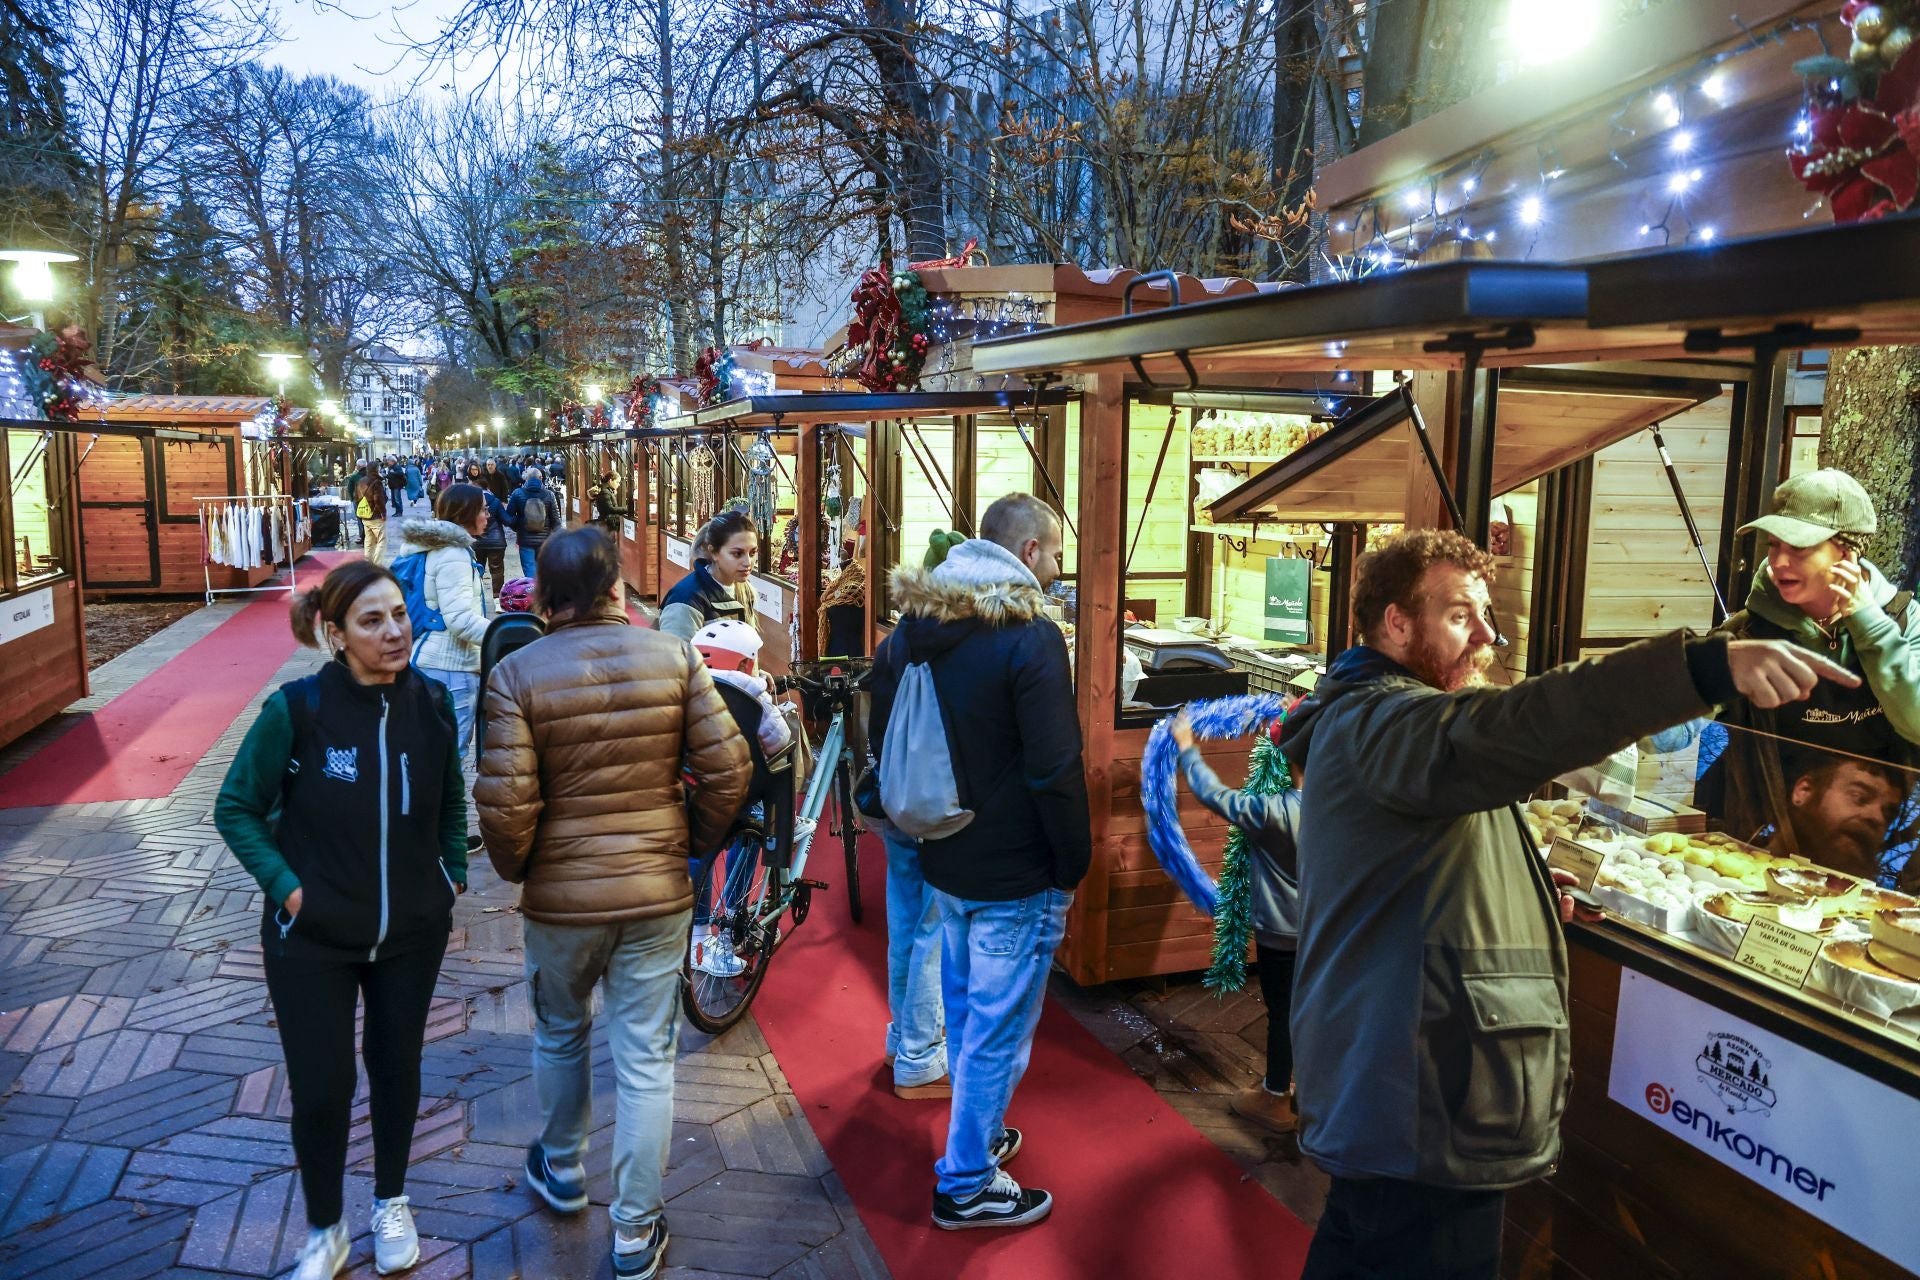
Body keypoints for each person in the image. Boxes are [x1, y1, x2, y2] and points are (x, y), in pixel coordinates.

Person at [1274, 529, 1859, 1280]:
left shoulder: (1375, 721)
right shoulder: (1387, 723)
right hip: (1420, 1099)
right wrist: (1698, 667)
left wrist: (1522, 895)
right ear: (1395, 623)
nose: (1487, 636)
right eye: (1460, 616)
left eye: (1488, 615)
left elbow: (1416, 868)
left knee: (1362, 1249)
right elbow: (1518, 725)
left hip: (1398, 1090)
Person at [476, 526, 751, 1280]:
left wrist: (530, 869)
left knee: (561, 1035)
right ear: (615, 587)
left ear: (544, 593)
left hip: (561, 903)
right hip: (656, 896)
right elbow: (729, 768)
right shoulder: (672, 654)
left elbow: (503, 807)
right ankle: (634, 1231)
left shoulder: (517, 672)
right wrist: (684, 845)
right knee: (646, 1061)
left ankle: (562, 1168)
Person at [214, 559, 466, 1280]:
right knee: (323, 1088)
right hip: (313, 940)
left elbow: (451, 801)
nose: (395, 631)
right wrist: (291, 892)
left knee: (396, 1069)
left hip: (413, 933)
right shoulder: (296, 710)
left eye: (398, 614)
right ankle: (326, 1229)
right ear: (335, 634)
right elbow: (235, 808)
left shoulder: (435, 704)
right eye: (372, 621)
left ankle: (391, 1200)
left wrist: (452, 875)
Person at [868, 492, 1090, 1231]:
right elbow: (1055, 766)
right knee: (996, 1027)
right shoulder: (1029, 636)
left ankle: (983, 1135)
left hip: (945, 854)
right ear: (1028, 553)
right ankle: (965, 1181)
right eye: (1057, 553)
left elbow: (884, 717)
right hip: (1016, 868)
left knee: (968, 1012)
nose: (1060, 569)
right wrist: (1072, 860)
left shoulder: (916, 624)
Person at [1699, 468, 1920, 860]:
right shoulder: (1748, 631)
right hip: (1760, 854)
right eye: (1772, 545)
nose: (1779, 562)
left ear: (1847, 553)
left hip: (1885, 862)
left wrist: (1869, 625)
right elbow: (1683, 716)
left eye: (1798, 549)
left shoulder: (1908, 623)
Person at [1170, 708, 1303, 1133]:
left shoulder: (1273, 812)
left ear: (1285, 755)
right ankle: (1312, 1091)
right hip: (1326, 936)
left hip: (1281, 938)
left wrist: (1188, 747)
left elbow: (1214, 795)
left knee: (1282, 1013)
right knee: (1311, 1011)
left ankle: (1277, 1096)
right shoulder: (1345, 809)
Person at [393, 483, 495, 757]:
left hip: (432, 661)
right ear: (467, 512)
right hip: (451, 667)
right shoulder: (454, 554)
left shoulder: (439, 548)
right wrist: (502, 635)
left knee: (431, 753)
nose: (488, 516)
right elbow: (460, 620)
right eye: (483, 510)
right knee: (449, 757)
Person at [1769, 754, 1910, 880]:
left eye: (1888, 813)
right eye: (1859, 796)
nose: (1877, 817)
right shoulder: (1751, 866)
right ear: (1805, 791)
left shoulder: (1873, 906)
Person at [657, 511, 757, 641]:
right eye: (737, 554)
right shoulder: (685, 600)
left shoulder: (745, 590)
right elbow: (675, 658)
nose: (748, 562)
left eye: (753, 553)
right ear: (714, 552)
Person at [506, 465, 561, 579]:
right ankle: (543, 595)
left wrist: (518, 527)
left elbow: (509, 517)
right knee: (544, 572)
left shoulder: (517, 493)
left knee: (530, 572)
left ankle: (532, 594)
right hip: (545, 541)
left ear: (526, 479)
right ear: (541, 478)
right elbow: (556, 520)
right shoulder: (549, 494)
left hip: (525, 540)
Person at [471, 482, 510, 600]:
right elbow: (507, 520)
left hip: (476, 542)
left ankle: (477, 598)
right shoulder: (496, 501)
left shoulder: (471, 503)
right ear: (488, 488)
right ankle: (498, 600)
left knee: (477, 570)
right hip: (496, 542)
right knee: (497, 570)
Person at [357, 465, 390, 564]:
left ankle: (368, 563)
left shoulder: (361, 481)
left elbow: (356, 496)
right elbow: (378, 499)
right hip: (375, 515)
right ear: (376, 470)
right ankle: (377, 564)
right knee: (381, 540)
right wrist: (383, 513)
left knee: (369, 541)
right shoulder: (376, 482)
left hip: (365, 514)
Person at [590, 468, 629, 536]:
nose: (619, 484)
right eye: (617, 482)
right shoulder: (605, 492)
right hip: (608, 524)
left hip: (608, 524)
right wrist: (627, 509)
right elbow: (609, 509)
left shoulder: (606, 490)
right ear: (610, 480)